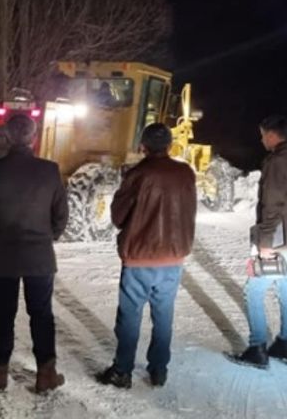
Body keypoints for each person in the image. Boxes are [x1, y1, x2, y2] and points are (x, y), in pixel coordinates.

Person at [0, 114, 69, 393]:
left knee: (2, 312)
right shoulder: (49, 170)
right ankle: (45, 374)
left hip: (4, 255)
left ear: (8, 137)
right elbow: (61, 214)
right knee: (41, 314)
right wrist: (47, 236)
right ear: (34, 137)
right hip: (39, 257)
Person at [96, 123, 196, 389]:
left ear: (143, 145)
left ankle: (123, 370)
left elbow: (118, 217)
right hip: (173, 256)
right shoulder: (186, 173)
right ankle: (159, 370)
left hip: (139, 256)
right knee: (164, 315)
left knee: (130, 316)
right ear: (170, 145)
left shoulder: (137, 174)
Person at [231, 115, 287, 369]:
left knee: (253, 291)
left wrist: (265, 241)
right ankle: (284, 345)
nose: (261, 139)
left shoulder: (276, 162)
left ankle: (257, 348)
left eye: (263, 134)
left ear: (273, 135)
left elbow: (272, 205)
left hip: (278, 240)